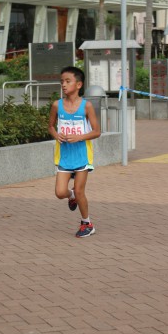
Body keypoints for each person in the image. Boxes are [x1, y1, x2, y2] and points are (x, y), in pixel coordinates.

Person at [48, 66, 101, 238]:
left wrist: (79, 137)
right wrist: (56, 135)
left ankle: (87, 223)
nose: (63, 85)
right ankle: (71, 196)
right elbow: (50, 127)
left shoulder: (87, 106)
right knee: (60, 193)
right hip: (64, 156)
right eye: (62, 81)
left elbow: (97, 132)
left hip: (82, 155)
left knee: (80, 191)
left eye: (67, 81)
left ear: (78, 85)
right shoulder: (57, 105)